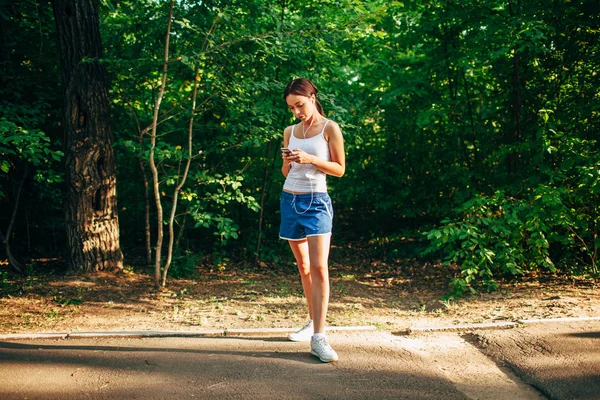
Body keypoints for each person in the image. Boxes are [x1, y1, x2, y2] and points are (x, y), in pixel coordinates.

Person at [279, 77, 345, 363]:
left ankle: (319, 337)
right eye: (292, 108)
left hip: (317, 203)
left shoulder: (330, 128)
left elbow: (340, 169)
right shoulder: (289, 131)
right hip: (290, 200)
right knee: (304, 268)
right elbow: (285, 172)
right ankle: (312, 320)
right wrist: (290, 160)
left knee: (319, 268)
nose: (296, 112)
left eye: (300, 105)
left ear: (312, 97)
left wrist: (310, 159)